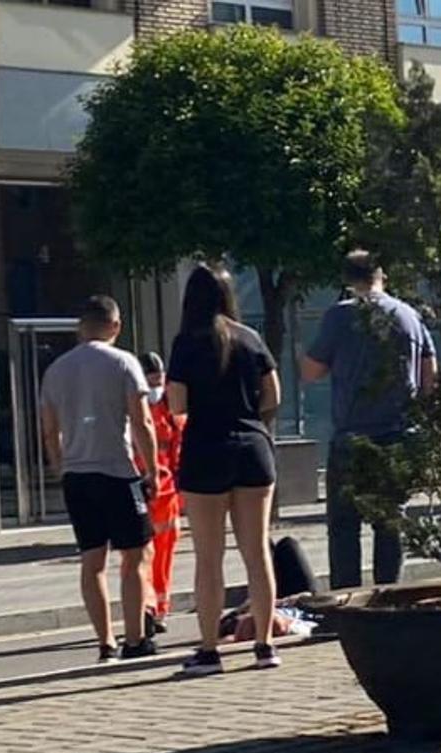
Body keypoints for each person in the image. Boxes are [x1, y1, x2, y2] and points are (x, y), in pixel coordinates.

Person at [167, 264, 282, 676]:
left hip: (205, 449)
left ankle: (211, 651)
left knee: (209, 557)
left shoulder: (187, 342)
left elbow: (177, 404)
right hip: (252, 447)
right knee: (257, 552)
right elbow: (274, 394)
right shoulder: (250, 337)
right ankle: (265, 645)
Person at [301, 250, 437, 590]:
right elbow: (429, 376)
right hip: (397, 434)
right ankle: (389, 594)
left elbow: (311, 371)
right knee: (390, 524)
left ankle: (346, 603)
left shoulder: (340, 316)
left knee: (345, 526)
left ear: (347, 280)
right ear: (382, 275)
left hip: (352, 435)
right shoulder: (409, 315)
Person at [41, 295, 159, 663]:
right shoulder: (124, 363)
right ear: (116, 325)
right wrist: (152, 469)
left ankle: (105, 641)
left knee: (92, 561)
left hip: (78, 476)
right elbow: (142, 421)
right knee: (134, 557)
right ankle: (136, 639)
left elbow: (49, 430)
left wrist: (60, 465)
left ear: (81, 326)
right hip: (117, 472)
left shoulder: (56, 370)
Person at [136, 351, 184, 633]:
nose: (157, 385)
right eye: (152, 380)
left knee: (164, 557)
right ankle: (147, 607)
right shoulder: (135, 409)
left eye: (159, 380)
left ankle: (160, 608)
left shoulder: (170, 408)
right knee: (143, 555)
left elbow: (180, 447)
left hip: (168, 494)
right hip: (142, 489)